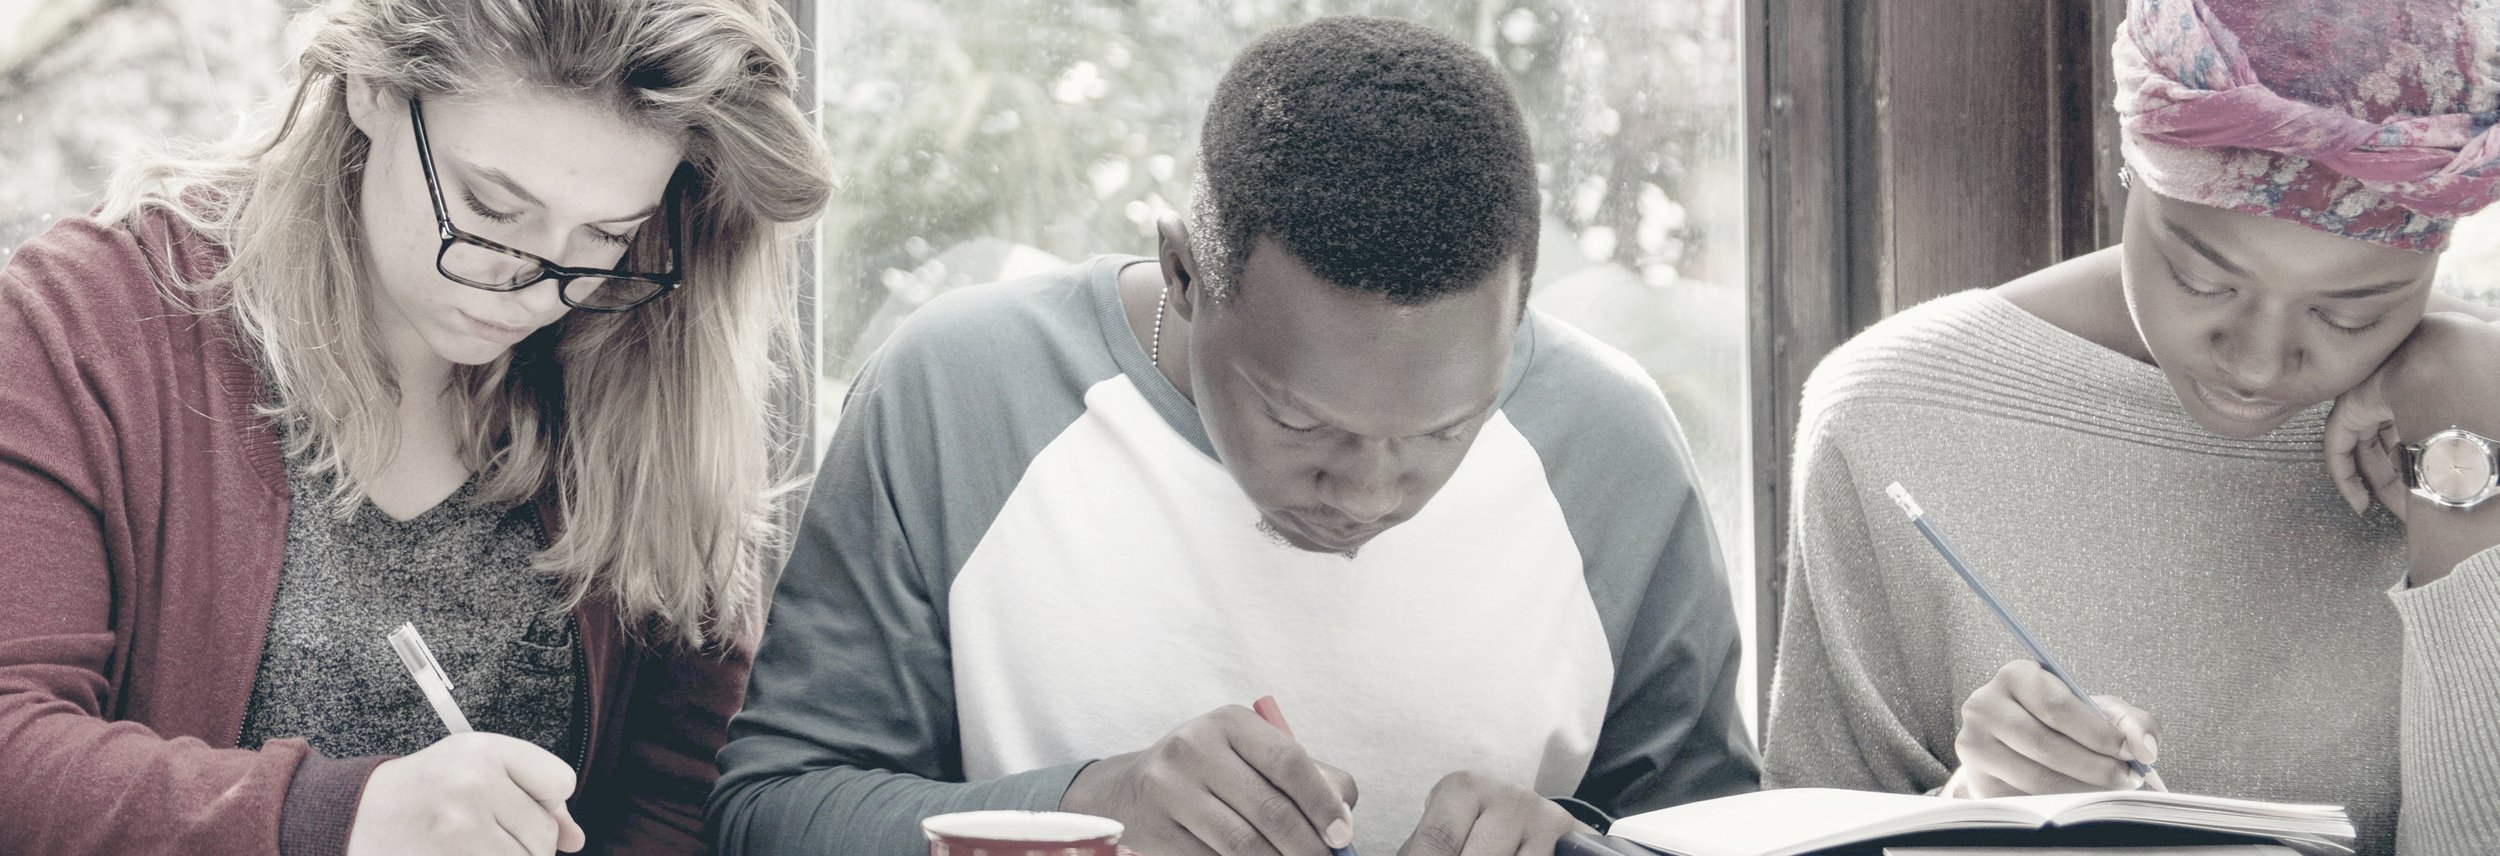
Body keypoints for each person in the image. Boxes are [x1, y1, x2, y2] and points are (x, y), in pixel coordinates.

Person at [709, 15, 1757, 856]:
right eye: (1301, 418)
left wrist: (1579, 845)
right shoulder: (960, 395)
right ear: (1182, 274)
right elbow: (767, 813)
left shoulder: (1609, 442)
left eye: (1447, 428)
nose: (1365, 491)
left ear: (1523, 310)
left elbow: (1721, 830)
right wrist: (1087, 807)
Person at [0, 0, 832, 853]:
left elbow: (682, 791)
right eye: (490, 209)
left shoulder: (640, 355)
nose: (536, 290)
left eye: (605, 236)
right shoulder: (91, 322)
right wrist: (343, 816)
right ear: (370, 87)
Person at [1761, 1, 2500, 853]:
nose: (2259, 365)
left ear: (2435, 257)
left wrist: (2464, 463)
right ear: (2132, 166)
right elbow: (1799, 829)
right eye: (2204, 279)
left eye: (2347, 315)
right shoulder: (1894, 413)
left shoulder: (2474, 407)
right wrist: (1984, 808)